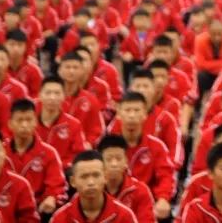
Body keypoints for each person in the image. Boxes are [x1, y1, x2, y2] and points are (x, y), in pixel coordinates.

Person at [115, 91, 175, 219]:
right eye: (127, 110)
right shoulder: (109, 148)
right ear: (119, 114)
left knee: (166, 213)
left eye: (137, 110)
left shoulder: (156, 146)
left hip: (149, 203)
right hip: (115, 203)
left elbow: (166, 176)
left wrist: (163, 198)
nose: (132, 115)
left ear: (145, 114)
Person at [5, 98, 65, 216]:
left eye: (29, 120)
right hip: (6, 206)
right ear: (10, 124)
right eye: (20, 120)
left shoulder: (49, 152)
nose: (24, 125)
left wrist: (51, 197)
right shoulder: (1, 152)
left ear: (35, 122)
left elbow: (56, 184)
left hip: (37, 208)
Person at [51, 150, 138, 223]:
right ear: (73, 181)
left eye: (96, 175)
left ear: (105, 177)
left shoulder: (124, 215)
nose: (91, 182)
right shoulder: (60, 218)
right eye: (84, 176)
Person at [97, 135, 156, 223]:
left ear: (126, 161)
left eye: (119, 159)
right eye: (109, 159)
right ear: (99, 162)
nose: (114, 164)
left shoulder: (140, 190)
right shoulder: (92, 190)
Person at [35, 75, 89, 168]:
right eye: (48, 93)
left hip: (64, 171)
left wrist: (57, 165)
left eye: (57, 93)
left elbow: (79, 155)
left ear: (64, 96)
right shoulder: (30, 122)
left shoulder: (74, 124)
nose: (52, 97)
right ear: (40, 95)